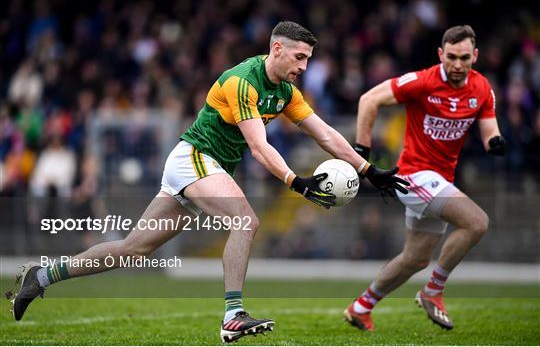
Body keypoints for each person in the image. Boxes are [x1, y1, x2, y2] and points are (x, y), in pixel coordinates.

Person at [11, 21, 408, 343]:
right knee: (245, 221)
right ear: (277, 49)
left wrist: (368, 170)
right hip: (195, 160)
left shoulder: (286, 92)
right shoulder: (243, 81)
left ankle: (42, 277)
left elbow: (324, 134)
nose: (304, 67)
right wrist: (297, 182)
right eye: (299, 57)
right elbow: (258, 146)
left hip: (203, 167)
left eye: (308, 60)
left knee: (134, 249)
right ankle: (233, 315)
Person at [343, 25, 506, 331]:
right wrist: (361, 151)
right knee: (476, 222)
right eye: (452, 57)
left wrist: (495, 141)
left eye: (465, 58)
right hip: (415, 174)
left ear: (475, 56)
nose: (458, 65)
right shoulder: (422, 81)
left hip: (440, 179)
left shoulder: (482, 87)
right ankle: (433, 291)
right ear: (441, 54)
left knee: (415, 258)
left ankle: (361, 307)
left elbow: (489, 129)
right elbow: (368, 99)